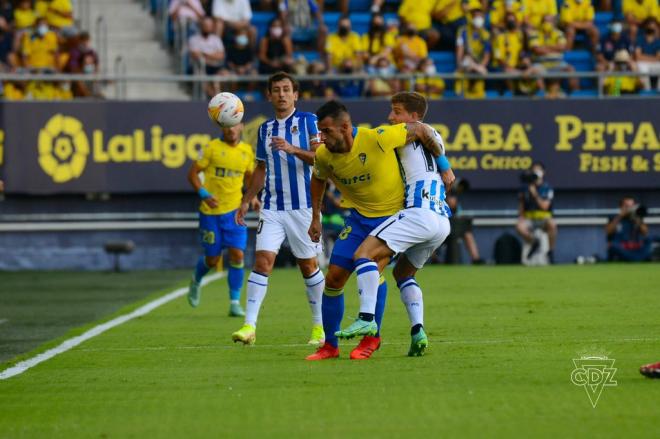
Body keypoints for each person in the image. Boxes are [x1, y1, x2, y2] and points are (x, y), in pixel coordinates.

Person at [305, 99, 449, 361]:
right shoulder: (324, 155)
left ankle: (372, 337)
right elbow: (318, 179)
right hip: (359, 218)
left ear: (345, 126)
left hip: (392, 216)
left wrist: (445, 165)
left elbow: (421, 130)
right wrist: (316, 216)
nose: (321, 137)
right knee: (334, 278)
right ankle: (330, 346)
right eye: (319, 131)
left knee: (371, 266)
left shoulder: (378, 137)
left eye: (326, 131)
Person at [231, 72, 326, 346]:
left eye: (287, 89)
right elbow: (261, 167)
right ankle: (249, 326)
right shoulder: (264, 129)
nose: (282, 94)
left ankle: (319, 328)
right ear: (270, 95)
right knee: (262, 263)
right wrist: (248, 198)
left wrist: (292, 148)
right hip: (272, 208)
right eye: (277, 90)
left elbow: (320, 158)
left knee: (308, 266)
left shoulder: (308, 121)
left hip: (303, 207)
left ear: (295, 95)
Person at [187, 123, 258, 316]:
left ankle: (234, 302)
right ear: (222, 128)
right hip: (210, 213)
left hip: (234, 212)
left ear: (241, 127)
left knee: (238, 255)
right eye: (226, 126)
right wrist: (204, 194)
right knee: (212, 259)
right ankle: (196, 279)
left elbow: (251, 177)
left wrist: (253, 198)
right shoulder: (211, 148)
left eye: (234, 126)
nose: (230, 130)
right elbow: (192, 174)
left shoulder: (246, 152)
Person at [515, 161, 557, 262]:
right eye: (534, 169)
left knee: (552, 224)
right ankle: (534, 242)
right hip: (529, 219)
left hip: (543, 219)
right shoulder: (525, 188)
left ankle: (550, 252)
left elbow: (545, 206)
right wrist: (520, 217)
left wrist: (535, 194)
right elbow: (521, 205)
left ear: (543, 172)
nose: (536, 171)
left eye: (538, 169)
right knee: (519, 226)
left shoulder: (547, 188)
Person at [188, 17, 227, 97]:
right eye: (205, 25)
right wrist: (214, 55)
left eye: (209, 26)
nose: (207, 28)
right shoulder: (193, 39)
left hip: (216, 67)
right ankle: (215, 99)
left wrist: (205, 54)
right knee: (202, 77)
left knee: (226, 75)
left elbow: (221, 56)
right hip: (200, 67)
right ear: (201, 26)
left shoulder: (216, 39)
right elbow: (196, 55)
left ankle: (224, 99)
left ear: (212, 27)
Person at [605, 196, 651, 262]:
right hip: (620, 248)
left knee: (648, 242)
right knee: (613, 246)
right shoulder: (614, 218)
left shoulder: (637, 218)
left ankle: (636, 258)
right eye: (627, 206)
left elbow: (645, 232)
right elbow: (608, 231)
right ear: (621, 207)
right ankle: (636, 259)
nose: (630, 208)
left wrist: (636, 219)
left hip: (634, 248)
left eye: (632, 206)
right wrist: (620, 216)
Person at [634, 18, 660, 91]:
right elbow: (638, 56)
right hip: (643, 63)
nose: (651, 29)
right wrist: (653, 58)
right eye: (650, 27)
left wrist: (645, 57)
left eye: (653, 27)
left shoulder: (658, 41)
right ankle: (646, 91)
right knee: (642, 69)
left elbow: (659, 57)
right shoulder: (640, 39)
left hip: (654, 63)